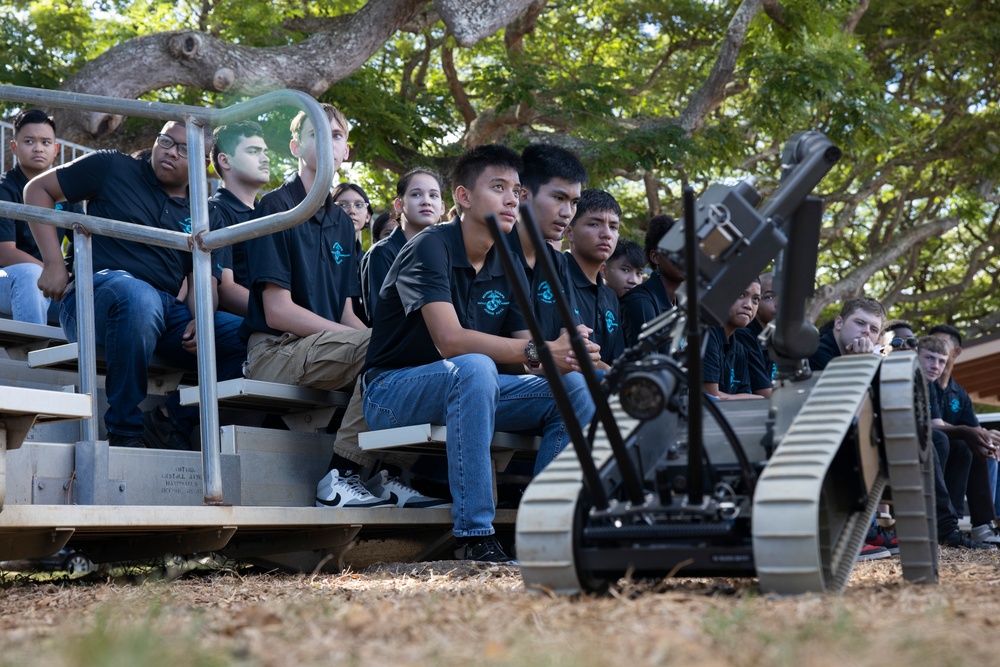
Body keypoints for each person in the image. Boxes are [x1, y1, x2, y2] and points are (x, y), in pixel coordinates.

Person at [362, 144, 599, 562]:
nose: (512, 199)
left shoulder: (505, 261)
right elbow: (450, 341)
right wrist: (539, 349)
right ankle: (474, 535)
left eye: (516, 190)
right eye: (498, 187)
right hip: (391, 393)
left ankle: (541, 532)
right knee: (474, 366)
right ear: (464, 197)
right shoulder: (430, 246)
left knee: (575, 388)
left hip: (471, 388)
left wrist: (567, 356)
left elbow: (525, 352)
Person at [25, 121, 245, 449]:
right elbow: (37, 191)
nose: (171, 151)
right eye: (166, 140)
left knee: (248, 337)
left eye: (184, 149)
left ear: (204, 165)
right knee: (137, 295)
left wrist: (202, 316)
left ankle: (172, 418)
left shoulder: (203, 212)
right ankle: (125, 432)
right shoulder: (112, 165)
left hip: (163, 311)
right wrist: (54, 262)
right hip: (94, 296)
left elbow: (200, 277)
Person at [0, 109, 81, 324]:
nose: (38, 148)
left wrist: (70, 273)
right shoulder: (4, 189)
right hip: (6, 279)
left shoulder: (66, 194)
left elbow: (83, 239)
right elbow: (4, 254)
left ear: (55, 149)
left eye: (46, 142)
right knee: (29, 274)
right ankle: (30, 352)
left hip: (47, 287)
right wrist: (55, 271)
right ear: (14, 147)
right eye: (29, 141)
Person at [917, 336, 996, 550]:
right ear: (916, 356)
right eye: (929, 358)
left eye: (941, 361)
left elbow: (936, 423)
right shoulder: (908, 378)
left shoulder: (931, 386)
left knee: (968, 447)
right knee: (942, 440)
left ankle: (965, 524)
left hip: (924, 442)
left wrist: (975, 434)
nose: (936, 366)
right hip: (899, 444)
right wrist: (963, 430)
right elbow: (920, 427)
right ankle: (942, 524)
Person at [508, 143, 587, 343]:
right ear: (523, 196)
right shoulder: (494, 253)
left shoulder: (558, 262)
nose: (567, 213)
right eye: (559, 198)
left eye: (574, 202)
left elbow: (570, 330)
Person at [359, 168, 443, 323]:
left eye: (433, 195)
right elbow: (381, 317)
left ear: (442, 207)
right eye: (416, 194)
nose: (427, 201)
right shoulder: (382, 252)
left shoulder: (444, 252)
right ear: (399, 204)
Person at [207, 120, 271, 316]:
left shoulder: (273, 213)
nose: (265, 159)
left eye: (265, 152)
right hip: (246, 327)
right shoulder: (214, 210)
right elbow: (225, 289)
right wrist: (283, 316)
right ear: (225, 160)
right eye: (253, 151)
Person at [564, 189, 624, 368]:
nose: (607, 234)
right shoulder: (553, 277)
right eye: (594, 224)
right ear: (569, 233)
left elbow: (616, 361)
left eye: (613, 227)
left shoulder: (610, 296)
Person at [620, 214, 683, 349]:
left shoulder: (683, 304)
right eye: (677, 249)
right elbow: (646, 364)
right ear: (655, 257)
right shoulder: (641, 301)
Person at [702, 279, 765, 400]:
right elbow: (712, 398)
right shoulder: (707, 333)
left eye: (755, 299)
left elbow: (745, 397)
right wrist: (756, 399)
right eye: (741, 295)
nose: (748, 306)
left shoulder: (739, 348)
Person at [332, 182, 373, 325]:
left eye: (359, 205)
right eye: (343, 205)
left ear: (367, 216)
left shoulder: (369, 259)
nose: (352, 211)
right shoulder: (324, 254)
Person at [809, 296, 885, 371]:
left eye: (874, 329)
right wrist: (861, 361)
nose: (867, 331)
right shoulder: (815, 351)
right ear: (839, 323)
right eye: (860, 323)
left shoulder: (877, 362)